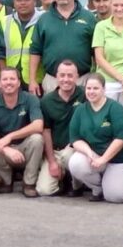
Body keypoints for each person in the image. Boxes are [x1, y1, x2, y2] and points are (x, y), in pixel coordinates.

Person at [67, 74, 123, 203]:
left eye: (96, 88)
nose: (91, 92)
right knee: (76, 162)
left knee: (116, 196)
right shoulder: (80, 110)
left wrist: (103, 159)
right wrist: (89, 153)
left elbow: (121, 138)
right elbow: (76, 139)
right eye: (89, 88)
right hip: (100, 157)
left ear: (104, 90)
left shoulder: (115, 108)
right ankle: (98, 189)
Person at [0, 66, 47, 196]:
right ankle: (7, 180)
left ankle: (29, 183)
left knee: (37, 139)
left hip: (25, 148)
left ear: (18, 82)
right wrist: (6, 149)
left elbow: (38, 125)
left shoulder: (30, 99)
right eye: (5, 79)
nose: (8, 82)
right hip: (5, 150)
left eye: (12, 79)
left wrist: (10, 136)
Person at [30, 0, 96, 94]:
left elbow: (97, 52)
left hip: (82, 81)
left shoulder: (89, 18)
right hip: (52, 82)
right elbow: (35, 51)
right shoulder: (43, 19)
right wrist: (32, 80)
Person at [38, 61, 85, 197]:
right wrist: (52, 161)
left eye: (70, 76)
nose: (66, 79)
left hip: (75, 149)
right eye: (62, 75)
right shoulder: (47, 101)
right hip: (55, 151)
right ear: (56, 77)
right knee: (44, 190)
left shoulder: (84, 95)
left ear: (77, 77)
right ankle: (62, 178)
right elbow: (46, 131)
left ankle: (77, 184)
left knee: (68, 155)